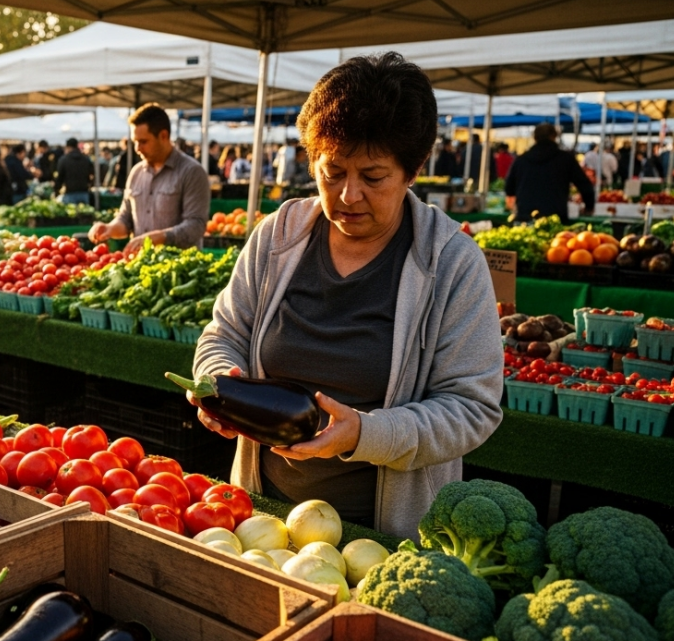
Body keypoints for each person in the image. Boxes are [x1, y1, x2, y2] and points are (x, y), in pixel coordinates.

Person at [189, 52, 503, 538]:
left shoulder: (451, 262)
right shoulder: (279, 236)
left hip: (382, 536)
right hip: (262, 517)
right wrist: (217, 383)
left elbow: (472, 407)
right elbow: (224, 333)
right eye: (332, 172)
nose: (348, 194)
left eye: (373, 177)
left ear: (413, 170)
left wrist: (365, 434)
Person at [89, 103, 209, 255]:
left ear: (163, 136)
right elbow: (125, 219)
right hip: (141, 263)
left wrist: (159, 237)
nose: (137, 148)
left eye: (143, 142)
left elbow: (196, 226)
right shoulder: (136, 172)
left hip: (179, 265)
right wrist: (110, 228)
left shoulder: (192, 172)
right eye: (135, 142)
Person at [503, 123, 594, 224]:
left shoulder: (521, 160)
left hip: (525, 217)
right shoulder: (565, 159)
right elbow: (585, 186)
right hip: (555, 219)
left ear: (535, 138)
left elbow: (509, 189)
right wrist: (589, 207)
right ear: (554, 136)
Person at [53, 137, 94, 205]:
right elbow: (91, 174)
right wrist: (89, 184)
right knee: (85, 211)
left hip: (70, 193)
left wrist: (56, 190)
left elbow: (60, 177)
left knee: (71, 210)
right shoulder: (86, 159)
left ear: (68, 147)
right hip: (84, 192)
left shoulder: (64, 160)